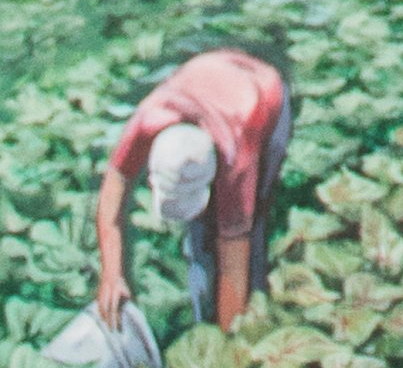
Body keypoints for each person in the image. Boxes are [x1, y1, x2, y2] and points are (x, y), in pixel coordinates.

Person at [96, 48, 292, 332]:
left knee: (249, 223)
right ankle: (204, 314)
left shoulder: (237, 155)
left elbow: (233, 259)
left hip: (264, 93)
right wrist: (112, 274)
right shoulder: (149, 119)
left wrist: (225, 346)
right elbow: (113, 189)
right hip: (207, 74)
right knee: (200, 239)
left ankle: (253, 303)